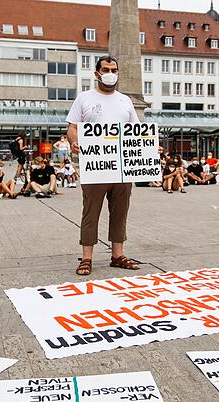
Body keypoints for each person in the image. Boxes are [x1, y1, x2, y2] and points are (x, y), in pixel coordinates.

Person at [67, 55, 140, 276]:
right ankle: (87, 258)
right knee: (91, 212)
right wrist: (73, 142)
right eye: (106, 69)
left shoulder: (125, 100)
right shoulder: (84, 98)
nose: (110, 73)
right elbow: (72, 128)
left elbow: (136, 131)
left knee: (120, 212)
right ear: (97, 73)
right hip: (95, 167)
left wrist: (148, 147)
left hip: (121, 167)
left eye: (114, 70)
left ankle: (117, 255)